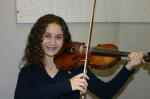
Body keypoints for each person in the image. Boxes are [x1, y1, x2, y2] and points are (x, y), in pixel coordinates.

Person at [14, 14, 143, 99]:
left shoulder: (77, 68)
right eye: (47, 36)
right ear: (38, 39)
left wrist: (128, 67)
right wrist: (67, 85)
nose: (53, 42)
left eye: (58, 37)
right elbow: (21, 96)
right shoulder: (29, 72)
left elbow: (106, 93)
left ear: (64, 40)